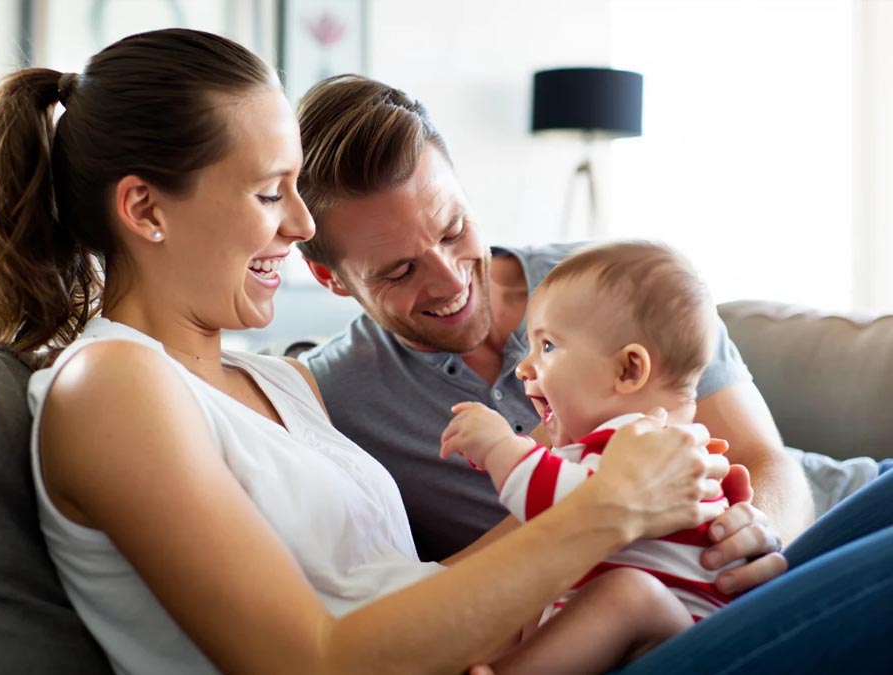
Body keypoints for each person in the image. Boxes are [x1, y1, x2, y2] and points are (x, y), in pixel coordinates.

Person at [0, 29, 738, 675]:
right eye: (270, 192)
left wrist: (667, 528)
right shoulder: (109, 385)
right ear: (145, 209)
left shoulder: (278, 380)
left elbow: (415, 592)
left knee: (823, 538)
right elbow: (313, 659)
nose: (299, 226)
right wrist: (609, 509)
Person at [294, 73, 893, 671]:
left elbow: (766, 459)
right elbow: (394, 604)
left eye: (455, 230)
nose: (451, 280)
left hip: (807, 531)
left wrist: (751, 537)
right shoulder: (330, 400)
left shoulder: (617, 279)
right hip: (663, 623)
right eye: (399, 271)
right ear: (331, 278)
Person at [441, 241, 741, 674]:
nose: (524, 368)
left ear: (628, 370)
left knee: (630, 594)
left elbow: (566, 508)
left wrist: (500, 447)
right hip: (634, 646)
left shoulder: (644, 441)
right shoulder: (639, 446)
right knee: (539, 579)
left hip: (687, 645)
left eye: (547, 347)